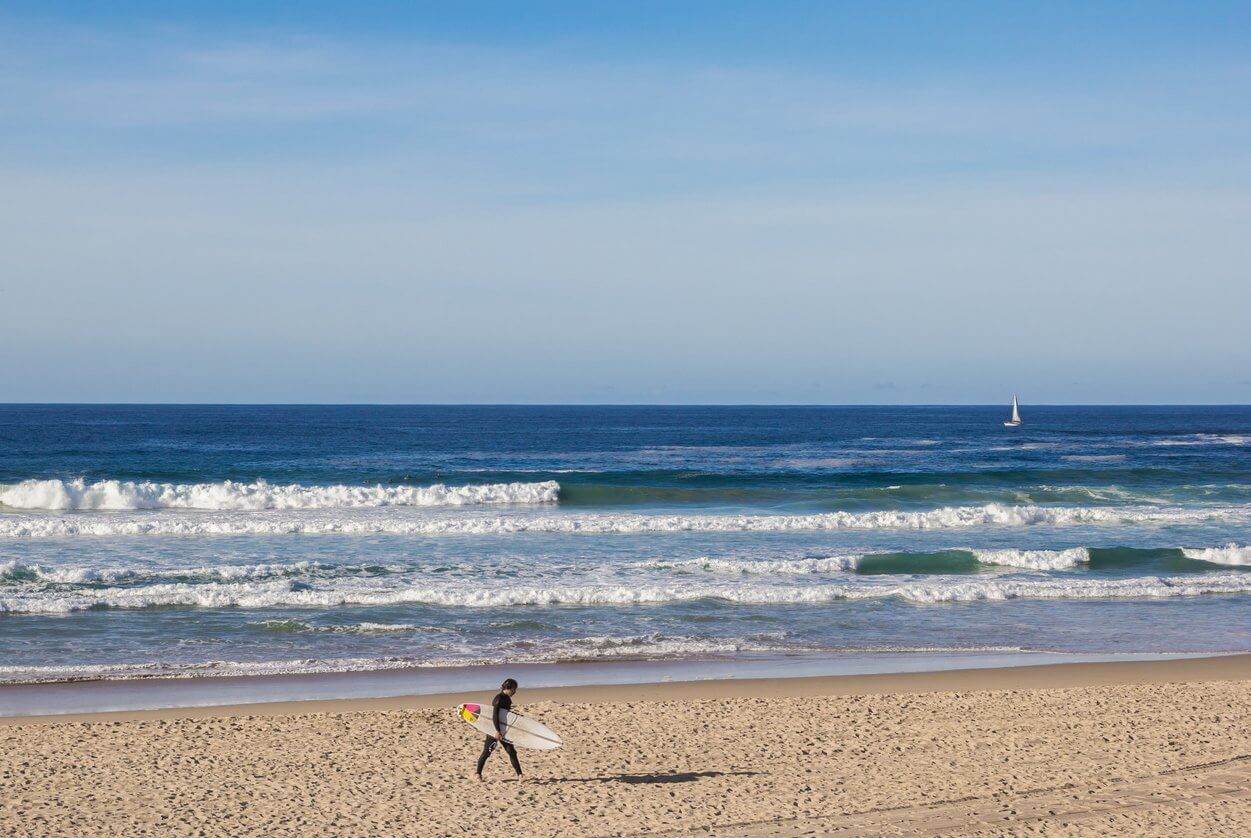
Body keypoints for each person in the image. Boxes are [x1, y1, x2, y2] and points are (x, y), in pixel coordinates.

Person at [475, 678, 526, 781]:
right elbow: (495, 716)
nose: (515, 692)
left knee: (511, 751)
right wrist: (497, 731)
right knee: (487, 752)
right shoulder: (498, 699)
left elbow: (505, 715)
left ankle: (520, 775)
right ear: (508, 688)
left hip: (504, 729)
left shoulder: (507, 699)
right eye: (514, 689)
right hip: (494, 729)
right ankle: (477, 774)